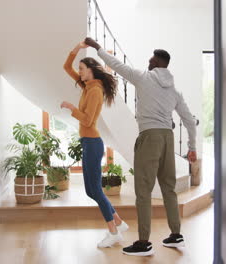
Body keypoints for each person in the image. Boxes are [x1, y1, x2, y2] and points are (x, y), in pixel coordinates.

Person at [84, 37, 197, 256]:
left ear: (157, 63)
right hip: (168, 138)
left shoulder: (143, 77)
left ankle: (144, 243)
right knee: (168, 187)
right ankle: (176, 234)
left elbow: (116, 65)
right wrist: (192, 147)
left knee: (143, 191)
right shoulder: (174, 91)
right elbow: (190, 121)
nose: (148, 61)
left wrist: (98, 48)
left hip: (150, 137)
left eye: (151, 59)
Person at [61, 41, 129, 248]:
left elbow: (88, 120)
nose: (79, 73)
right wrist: (76, 50)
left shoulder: (95, 91)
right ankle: (118, 221)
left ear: (91, 70)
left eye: (82, 69)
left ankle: (113, 232)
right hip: (88, 142)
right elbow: (66, 68)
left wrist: (72, 107)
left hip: (92, 143)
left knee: (96, 191)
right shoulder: (87, 85)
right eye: (80, 69)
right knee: (90, 191)